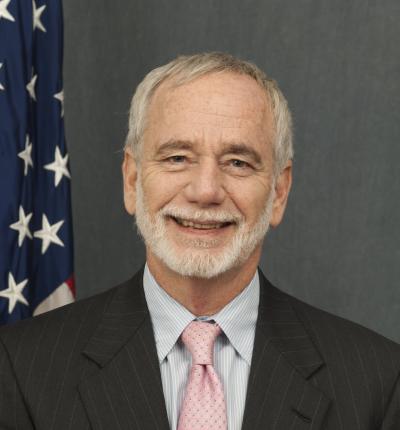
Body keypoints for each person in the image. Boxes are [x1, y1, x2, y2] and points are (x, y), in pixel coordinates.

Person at [0, 52, 399, 430]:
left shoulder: (376, 381)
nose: (205, 191)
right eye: (177, 158)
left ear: (278, 192)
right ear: (132, 179)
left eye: (238, 162)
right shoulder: (22, 367)